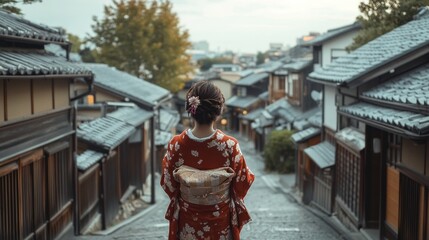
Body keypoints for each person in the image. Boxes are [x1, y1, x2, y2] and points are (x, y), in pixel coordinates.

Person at [160, 80, 255, 240]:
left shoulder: (176, 144)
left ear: (191, 109)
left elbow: (168, 183)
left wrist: (193, 191)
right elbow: (242, 183)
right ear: (219, 110)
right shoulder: (229, 145)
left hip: (188, 220)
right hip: (220, 220)